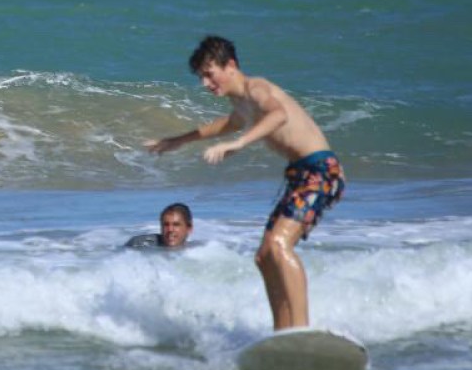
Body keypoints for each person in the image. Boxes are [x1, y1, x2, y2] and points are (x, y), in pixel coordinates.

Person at [144, 36, 345, 331]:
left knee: (279, 245)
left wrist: (238, 144)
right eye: (201, 77)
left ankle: (301, 328)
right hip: (300, 175)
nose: (205, 83)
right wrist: (176, 141)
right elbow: (223, 125)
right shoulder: (240, 103)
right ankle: (283, 331)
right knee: (264, 256)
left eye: (209, 74)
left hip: (321, 170)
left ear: (231, 65)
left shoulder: (256, 88)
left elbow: (278, 114)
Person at [124, 202, 194, 249]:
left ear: (189, 228)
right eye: (166, 224)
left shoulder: (198, 251)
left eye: (176, 225)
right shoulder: (138, 244)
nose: (170, 229)